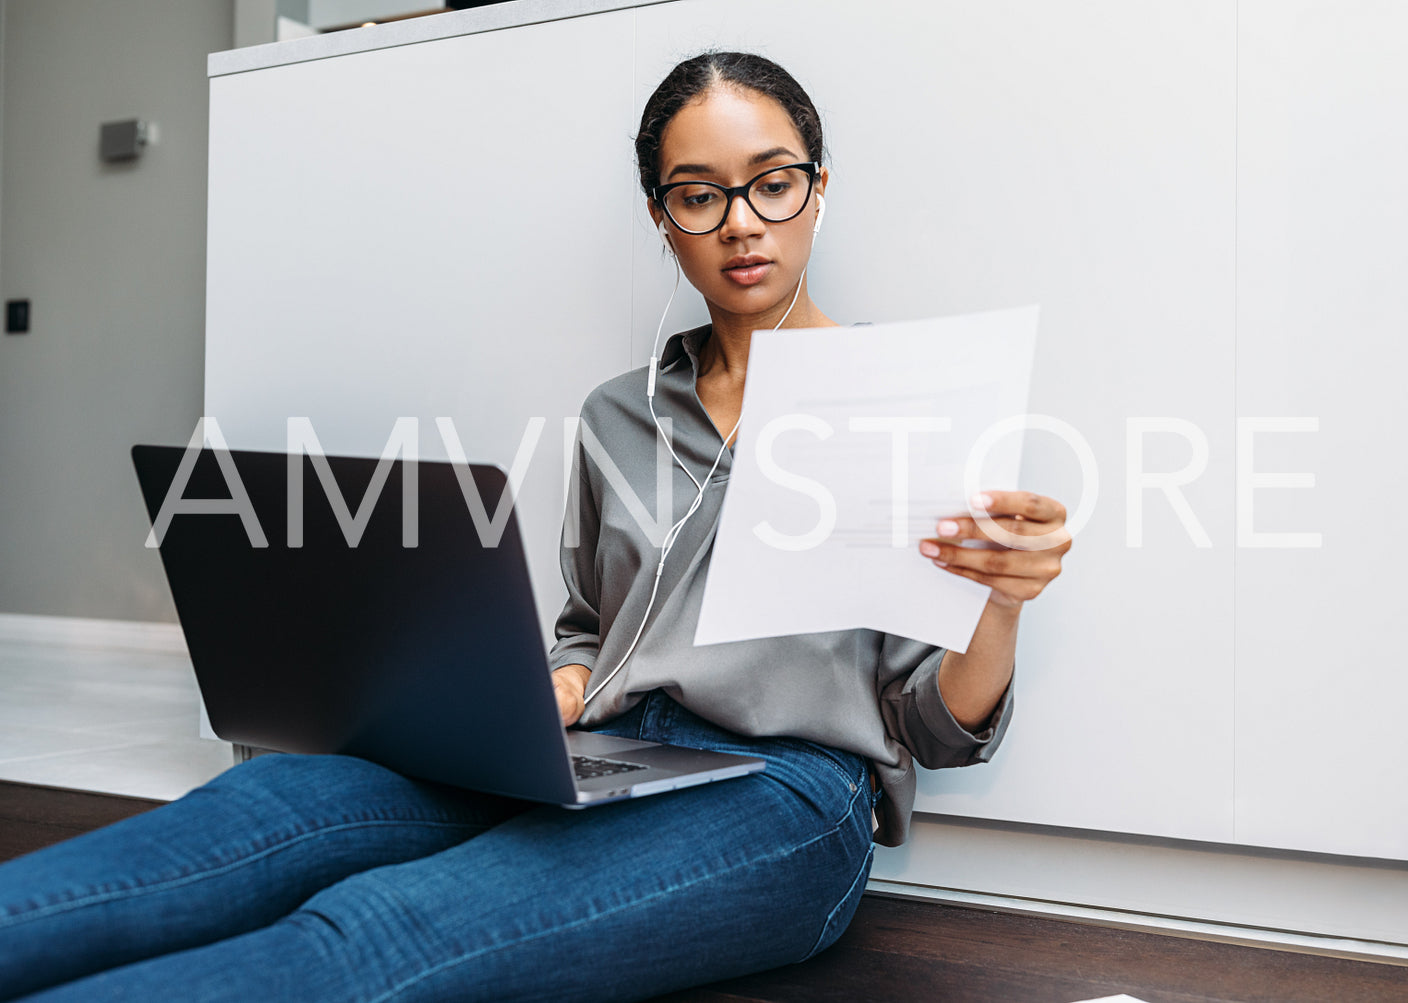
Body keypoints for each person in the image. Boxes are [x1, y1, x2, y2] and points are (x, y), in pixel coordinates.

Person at [0, 51, 1069, 1002]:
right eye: (698, 196)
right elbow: (584, 626)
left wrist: (1001, 607)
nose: (740, 220)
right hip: (598, 748)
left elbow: (932, 729)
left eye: (770, 185)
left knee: (384, 924)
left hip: (786, 793)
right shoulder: (619, 409)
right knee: (264, 804)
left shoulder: (906, 400)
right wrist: (550, 687)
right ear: (663, 217)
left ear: (815, 191)